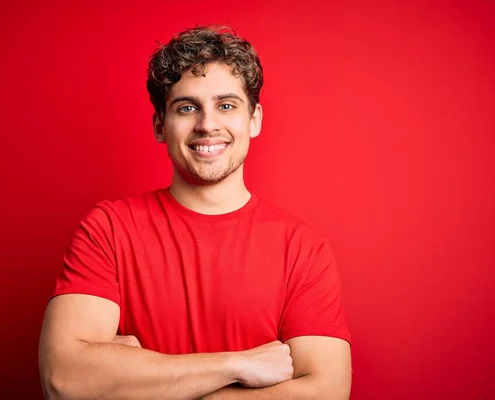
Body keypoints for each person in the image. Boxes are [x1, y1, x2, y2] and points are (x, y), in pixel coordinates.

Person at [39, 25, 352, 400]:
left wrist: (136, 382)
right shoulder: (108, 229)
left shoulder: (302, 246)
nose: (207, 124)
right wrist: (236, 365)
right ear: (160, 125)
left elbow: (327, 391)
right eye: (187, 107)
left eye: (226, 105)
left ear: (254, 120)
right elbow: (65, 380)